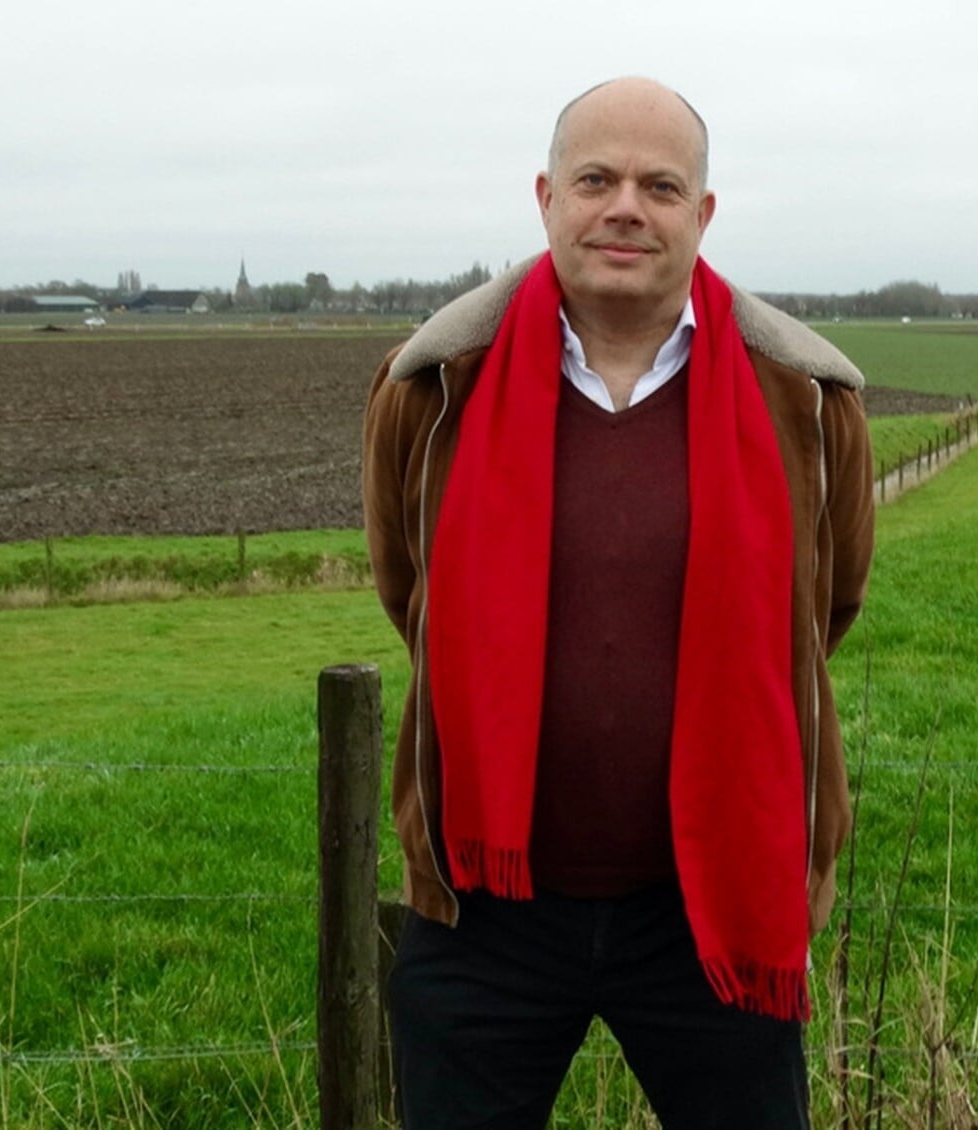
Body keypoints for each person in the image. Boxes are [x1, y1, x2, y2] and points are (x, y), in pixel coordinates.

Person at [361, 76, 874, 1129]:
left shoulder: (808, 398)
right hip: (486, 908)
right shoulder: (432, 383)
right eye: (596, 178)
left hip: (713, 910)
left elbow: (823, 607)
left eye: (660, 184)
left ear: (704, 213)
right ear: (547, 196)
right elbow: (411, 592)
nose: (625, 206)